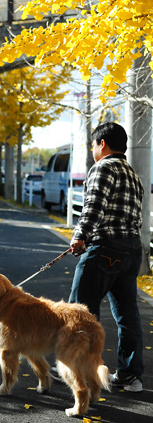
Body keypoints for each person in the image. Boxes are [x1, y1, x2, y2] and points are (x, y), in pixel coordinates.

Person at [53, 122, 144, 392]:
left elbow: (93, 207)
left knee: (77, 312)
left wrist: (79, 236)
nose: (93, 150)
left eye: (94, 145)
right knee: (128, 316)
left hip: (105, 249)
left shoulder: (103, 167)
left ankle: (72, 369)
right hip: (131, 251)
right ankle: (130, 375)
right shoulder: (133, 174)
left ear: (102, 144)